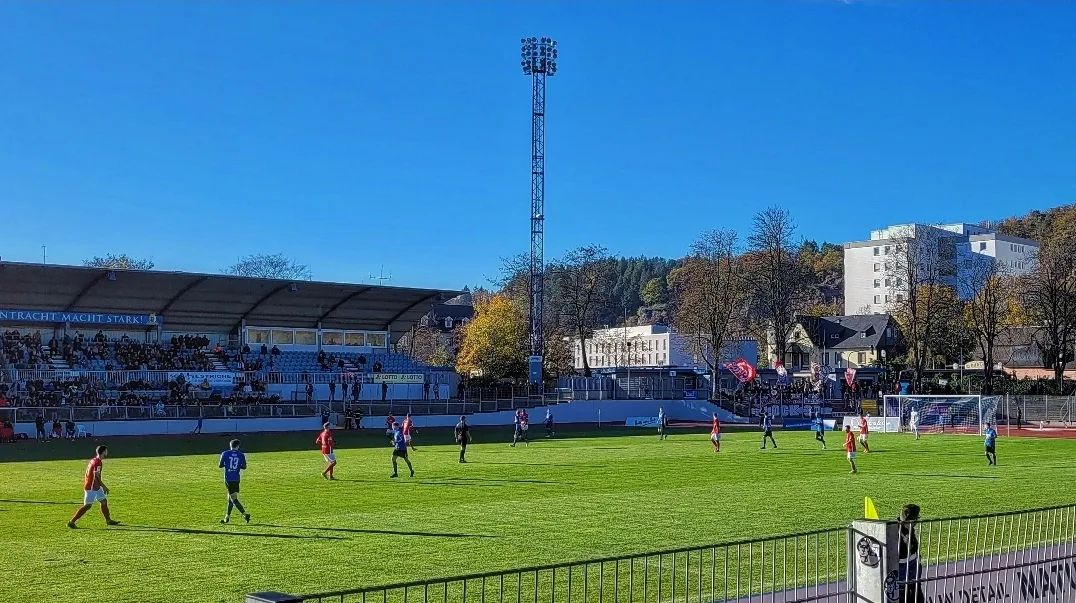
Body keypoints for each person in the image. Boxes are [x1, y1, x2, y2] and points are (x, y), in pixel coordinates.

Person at [68, 445, 120, 528]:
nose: (107, 452)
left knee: (103, 501)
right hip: (91, 487)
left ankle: (108, 520)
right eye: (106, 451)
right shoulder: (98, 462)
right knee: (88, 506)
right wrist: (104, 486)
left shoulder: (93, 460)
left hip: (95, 486)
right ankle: (71, 522)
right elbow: (97, 476)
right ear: (103, 452)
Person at [897, 504, 925, 603]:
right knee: (903, 594)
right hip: (903, 567)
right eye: (917, 517)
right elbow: (902, 552)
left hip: (913, 564)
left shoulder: (908, 528)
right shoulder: (897, 530)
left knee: (916, 592)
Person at [218, 439, 251, 524]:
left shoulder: (225, 453)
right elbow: (244, 467)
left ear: (230, 445)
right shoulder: (241, 455)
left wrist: (228, 465)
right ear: (238, 446)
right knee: (230, 498)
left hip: (228, 479)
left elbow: (220, 465)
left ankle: (245, 514)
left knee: (233, 499)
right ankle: (227, 517)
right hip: (236, 478)